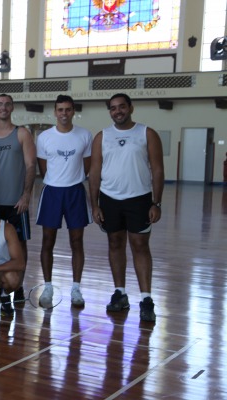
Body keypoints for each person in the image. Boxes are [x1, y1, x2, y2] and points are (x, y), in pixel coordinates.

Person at [89, 93, 164, 322]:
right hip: (110, 199)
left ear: (131, 108)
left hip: (139, 199)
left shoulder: (147, 133)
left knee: (140, 245)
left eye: (122, 107)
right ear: (110, 111)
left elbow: (158, 169)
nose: (118, 111)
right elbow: (94, 172)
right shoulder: (102, 136)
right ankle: (120, 293)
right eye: (113, 108)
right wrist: (95, 204)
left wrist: (156, 202)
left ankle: (146, 298)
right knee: (115, 243)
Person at [36, 94, 93, 309]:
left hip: (75, 192)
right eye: (60, 109)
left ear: (73, 111)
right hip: (52, 192)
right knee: (47, 241)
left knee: (77, 241)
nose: (64, 113)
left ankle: (76, 288)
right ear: (55, 112)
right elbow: (43, 168)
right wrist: (57, 180)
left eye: (68, 109)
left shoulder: (84, 135)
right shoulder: (44, 137)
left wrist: (71, 179)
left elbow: (87, 165)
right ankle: (48, 287)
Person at [0, 93, 36, 307]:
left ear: (12, 108)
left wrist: (26, 194)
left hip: (16, 203)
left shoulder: (22, 133)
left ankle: (18, 284)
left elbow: (31, 166)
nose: (3, 107)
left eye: (7, 104)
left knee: (19, 246)